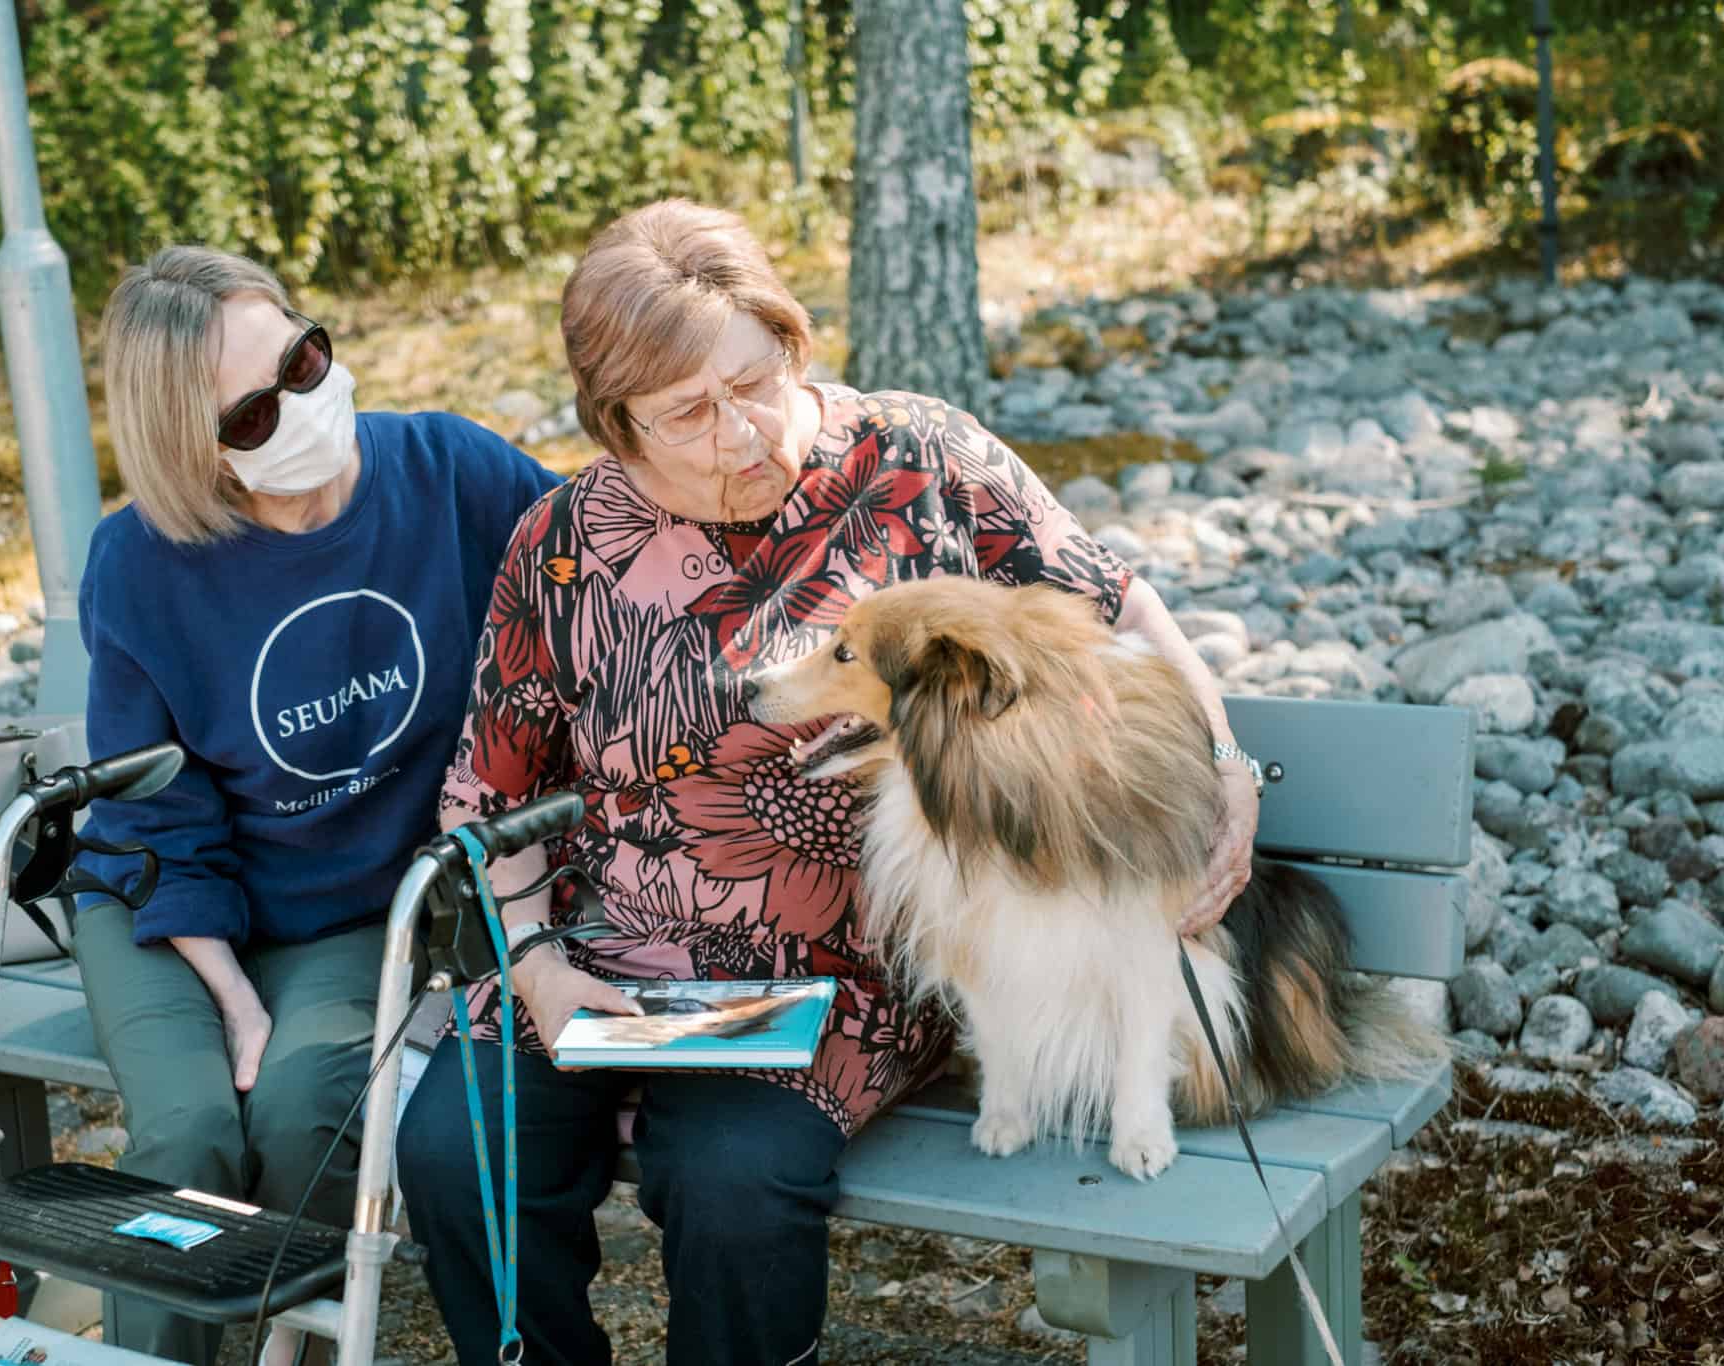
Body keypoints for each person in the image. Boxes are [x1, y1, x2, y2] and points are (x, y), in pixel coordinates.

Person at [395, 200, 1261, 1366]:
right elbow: (485, 796)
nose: (739, 431)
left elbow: (1119, 607)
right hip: (603, 961)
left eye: (753, 380)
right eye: (686, 413)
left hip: (830, 976)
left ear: (788, 342)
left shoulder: (916, 459)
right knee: (457, 1150)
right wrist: (539, 968)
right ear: (615, 424)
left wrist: (1223, 762)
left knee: (735, 1180)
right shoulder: (562, 541)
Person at [71, 245, 560, 1364]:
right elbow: (155, 814)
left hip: (351, 906)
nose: (300, 404)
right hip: (168, 908)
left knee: (305, 1112)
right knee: (191, 1132)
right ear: (187, 446)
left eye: (303, 358)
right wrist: (236, 1000)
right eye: (251, 415)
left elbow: (610, 577)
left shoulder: (448, 471)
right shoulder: (139, 564)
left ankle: (292, 1344)